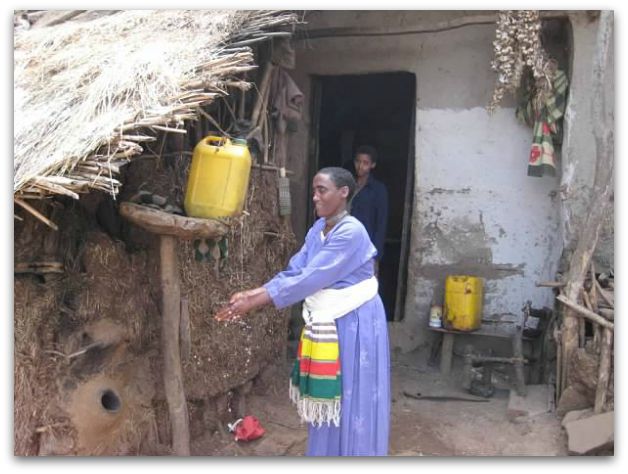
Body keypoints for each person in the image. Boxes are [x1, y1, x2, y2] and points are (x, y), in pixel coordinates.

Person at [214, 167, 390, 456]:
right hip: (331, 321)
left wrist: (256, 300)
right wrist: (252, 294)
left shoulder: (352, 232)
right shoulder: (317, 230)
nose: (315, 197)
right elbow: (296, 271)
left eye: (322, 190)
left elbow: (312, 278)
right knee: (332, 396)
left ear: (343, 192)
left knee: (353, 396)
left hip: (354, 322)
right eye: (314, 190)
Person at [350, 146, 388, 273]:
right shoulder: (347, 186)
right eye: (358, 162)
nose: (360, 166)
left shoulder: (378, 190)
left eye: (365, 163)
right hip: (346, 244)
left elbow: (381, 222)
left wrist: (376, 255)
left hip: (366, 246)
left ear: (373, 165)